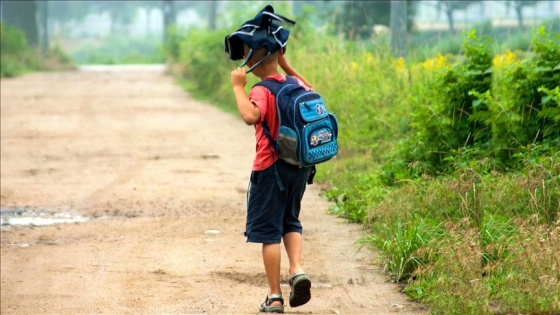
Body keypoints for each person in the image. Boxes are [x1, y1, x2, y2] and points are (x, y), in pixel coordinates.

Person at [230, 43, 314, 313]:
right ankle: (297, 269)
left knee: (269, 233)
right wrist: (287, 66)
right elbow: (311, 92)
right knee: (290, 220)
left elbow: (249, 116)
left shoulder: (261, 89)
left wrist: (237, 87)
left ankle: (275, 296)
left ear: (251, 61)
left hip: (270, 169)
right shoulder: (294, 84)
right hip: (298, 167)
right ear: (278, 55)